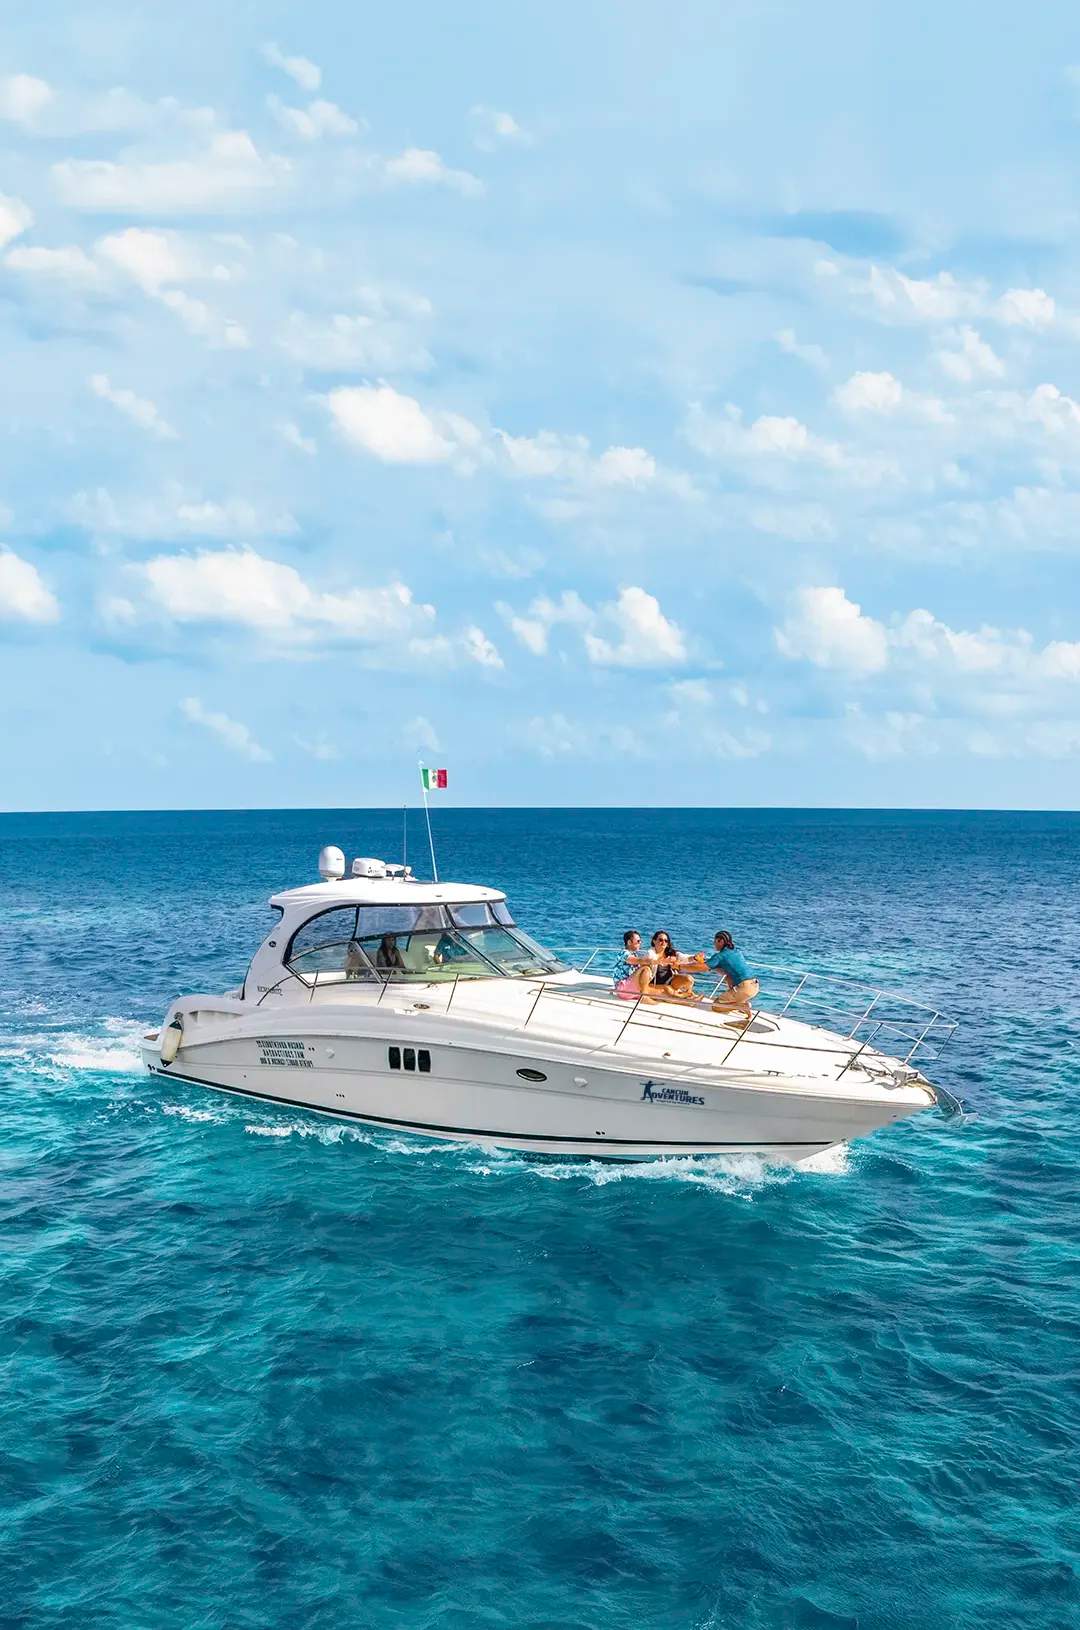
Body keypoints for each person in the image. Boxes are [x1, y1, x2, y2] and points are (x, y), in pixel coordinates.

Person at [707, 930, 759, 1025]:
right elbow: (726, 970)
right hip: (754, 986)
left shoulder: (721, 956)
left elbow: (704, 966)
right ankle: (740, 1004)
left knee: (716, 1006)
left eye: (715, 941)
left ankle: (742, 1006)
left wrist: (680, 966)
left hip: (744, 987)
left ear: (720, 941)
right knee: (729, 1000)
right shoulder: (736, 952)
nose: (714, 944)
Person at [647, 930, 703, 1002]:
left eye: (666, 941)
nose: (663, 942)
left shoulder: (671, 953)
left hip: (670, 981)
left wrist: (694, 958)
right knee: (668, 989)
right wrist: (663, 961)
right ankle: (686, 1000)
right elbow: (649, 958)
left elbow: (684, 958)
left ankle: (689, 995)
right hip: (654, 984)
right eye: (660, 940)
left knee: (689, 979)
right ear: (654, 941)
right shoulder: (651, 953)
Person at [613, 929, 651, 999]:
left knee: (665, 990)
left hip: (632, 987)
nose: (640, 943)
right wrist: (657, 961)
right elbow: (638, 960)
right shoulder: (623, 953)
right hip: (623, 989)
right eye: (638, 941)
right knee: (645, 969)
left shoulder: (635, 954)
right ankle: (644, 997)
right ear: (629, 942)